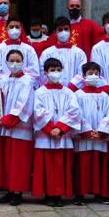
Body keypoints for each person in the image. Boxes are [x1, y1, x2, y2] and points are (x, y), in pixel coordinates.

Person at [32, 58, 81, 206]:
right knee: (46, 166)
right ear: (46, 73)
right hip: (45, 136)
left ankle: (59, 194)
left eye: (58, 70)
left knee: (61, 166)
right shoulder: (39, 92)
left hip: (62, 135)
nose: (55, 73)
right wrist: (50, 129)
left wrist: (60, 128)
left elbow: (74, 111)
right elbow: (37, 112)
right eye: (52, 70)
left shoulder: (69, 93)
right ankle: (48, 194)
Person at [0, 50, 35, 206]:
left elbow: (25, 102)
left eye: (18, 60)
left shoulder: (27, 81)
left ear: (23, 62)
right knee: (6, 158)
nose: (14, 64)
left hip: (18, 126)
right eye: (11, 60)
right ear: (7, 62)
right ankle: (9, 190)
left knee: (19, 160)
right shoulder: (3, 80)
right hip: (3, 126)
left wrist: (11, 118)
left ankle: (18, 192)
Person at [73, 62, 109, 205]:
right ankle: (80, 194)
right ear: (83, 76)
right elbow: (75, 113)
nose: (93, 76)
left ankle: (100, 193)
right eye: (90, 73)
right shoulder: (77, 95)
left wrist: (101, 130)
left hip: (99, 137)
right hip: (85, 136)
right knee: (82, 165)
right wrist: (88, 130)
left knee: (99, 164)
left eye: (96, 73)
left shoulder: (104, 96)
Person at [0, 17, 39, 86]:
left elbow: (34, 73)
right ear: (6, 28)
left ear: (21, 29)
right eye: (11, 27)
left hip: (24, 87)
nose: (14, 29)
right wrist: (8, 83)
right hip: (5, 88)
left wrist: (22, 82)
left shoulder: (29, 49)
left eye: (17, 27)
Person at [39, 17, 87, 87]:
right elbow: (42, 73)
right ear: (55, 33)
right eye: (60, 30)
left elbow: (82, 73)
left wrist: (72, 86)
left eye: (66, 29)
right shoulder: (47, 53)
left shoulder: (79, 53)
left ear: (70, 31)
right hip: (52, 91)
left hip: (73, 92)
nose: (63, 32)